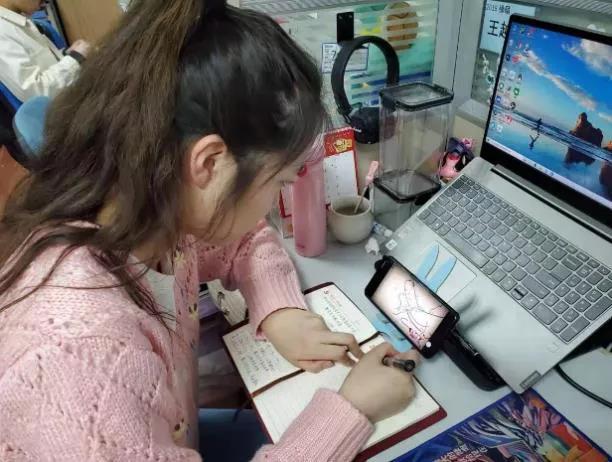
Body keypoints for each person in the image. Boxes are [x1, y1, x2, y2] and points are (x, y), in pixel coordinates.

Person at [0, 1, 419, 461]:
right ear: (209, 163)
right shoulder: (81, 363)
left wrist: (279, 312)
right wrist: (352, 409)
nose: (273, 201)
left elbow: (245, 240)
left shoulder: (150, 212)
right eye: (279, 182)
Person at [0, 0, 91, 103]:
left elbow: (41, 62)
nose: (44, 3)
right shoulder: (2, 32)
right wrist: (75, 59)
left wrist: (66, 55)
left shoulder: (17, 20)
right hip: (60, 106)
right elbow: (36, 92)